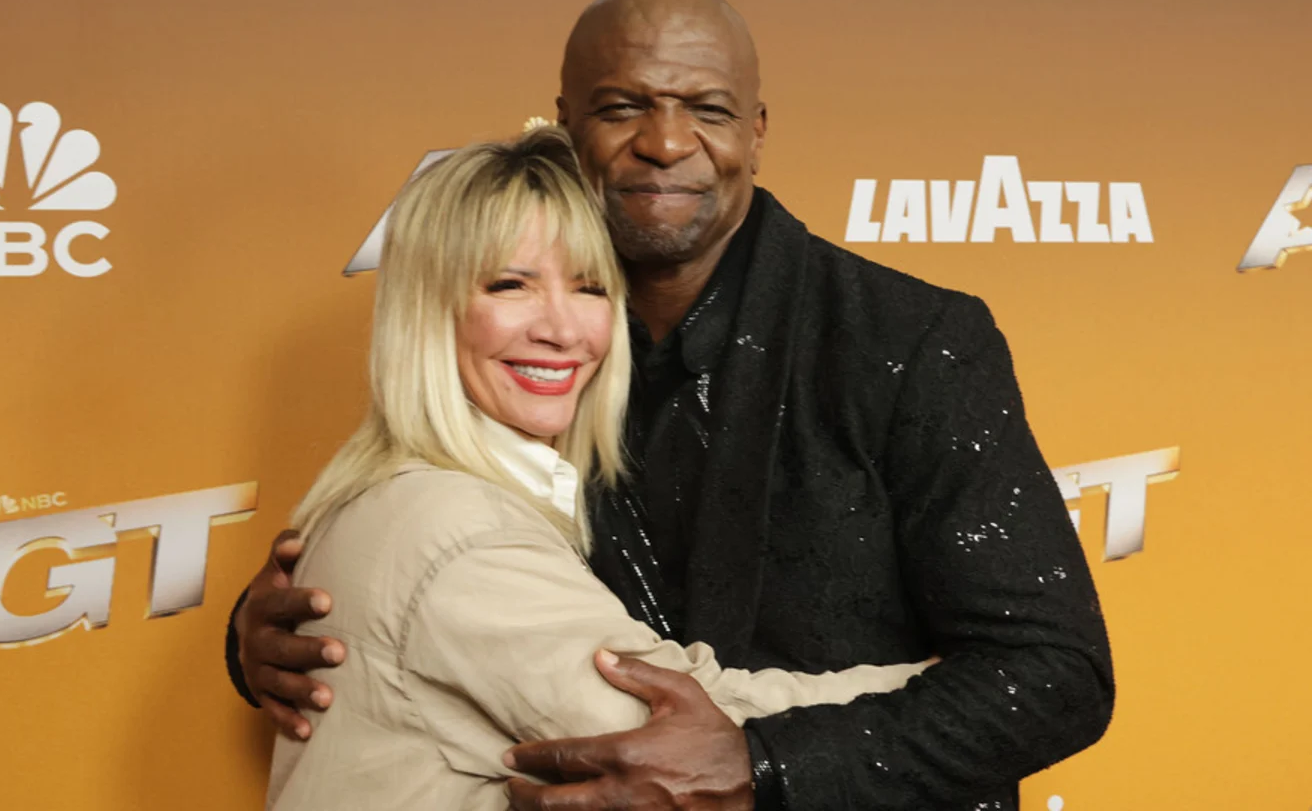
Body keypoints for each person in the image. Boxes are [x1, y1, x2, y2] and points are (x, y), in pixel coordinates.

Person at [231, 0, 1114, 811]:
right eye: (623, 107)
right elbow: (435, 562)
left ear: (757, 130)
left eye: (708, 110)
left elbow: (1054, 671)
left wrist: (764, 773)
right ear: (566, 122)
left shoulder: (911, 340)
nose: (665, 142)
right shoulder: (523, 352)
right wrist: (280, 636)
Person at [264, 126, 930, 810]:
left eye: (589, 288)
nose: (562, 328)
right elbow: (684, 735)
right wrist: (957, 694)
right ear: (428, 312)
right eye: (510, 284)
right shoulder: (457, 531)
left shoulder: (406, 498)